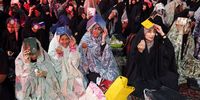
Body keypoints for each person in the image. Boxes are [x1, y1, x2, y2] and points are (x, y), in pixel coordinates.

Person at [124, 19, 179, 98]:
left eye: (154, 32)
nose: (152, 34)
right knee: (137, 86)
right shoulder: (137, 41)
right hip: (140, 74)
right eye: (149, 32)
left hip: (155, 72)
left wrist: (163, 34)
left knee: (172, 78)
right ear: (143, 32)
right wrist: (140, 52)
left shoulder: (157, 42)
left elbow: (169, 52)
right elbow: (132, 64)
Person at [79, 14, 120, 83]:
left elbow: (107, 55)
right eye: (95, 28)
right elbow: (92, 52)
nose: (97, 31)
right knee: (100, 81)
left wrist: (103, 39)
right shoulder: (86, 38)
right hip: (89, 68)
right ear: (91, 29)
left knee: (112, 76)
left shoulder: (102, 37)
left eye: (99, 29)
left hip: (102, 66)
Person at [48, 26, 85, 99]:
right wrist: (59, 55)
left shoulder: (72, 46)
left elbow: (75, 64)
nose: (65, 42)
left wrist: (73, 48)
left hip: (72, 73)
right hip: (60, 76)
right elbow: (56, 68)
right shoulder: (54, 48)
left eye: (67, 39)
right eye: (62, 39)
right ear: (58, 39)